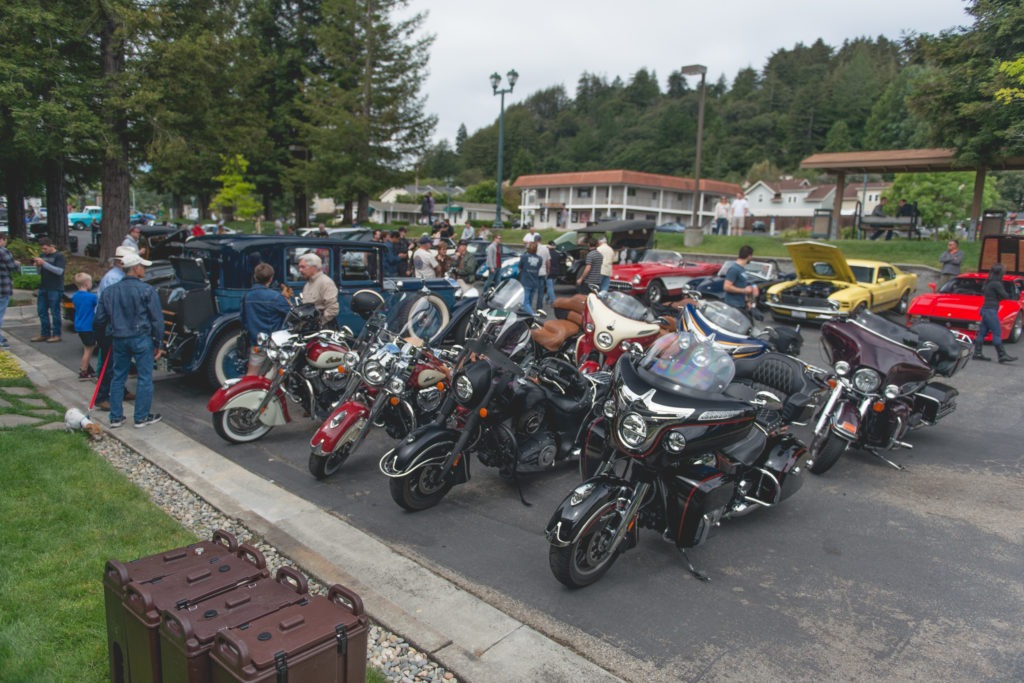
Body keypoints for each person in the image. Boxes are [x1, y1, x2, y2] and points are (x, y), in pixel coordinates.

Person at [93, 252, 164, 428]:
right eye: (143, 267)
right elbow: (157, 319)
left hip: (118, 338)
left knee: (118, 376)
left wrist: (106, 336)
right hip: (141, 338)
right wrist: (159, 343)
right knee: (144, 378)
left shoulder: (110, 291)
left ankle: (116, 417)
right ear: (135, 268)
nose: (145, 270)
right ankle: (141, 417)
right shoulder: (147, 290)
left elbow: (99, 320)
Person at [93, 247, 137, 410]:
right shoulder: (114, 279)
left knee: (118, 362)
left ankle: (120, 391)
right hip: (110, 326)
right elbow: (114, 307)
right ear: (121, 262)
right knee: (109, 363)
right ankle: (102, 396)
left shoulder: (117, 276)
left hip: (112, 324)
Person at [242, 263, 292, 376]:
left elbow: (243, 319)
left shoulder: (247, 296)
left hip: (256, 341)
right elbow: (291, 314)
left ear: (255, 277)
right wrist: (287, 299)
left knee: (252, 375)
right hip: (275, 343)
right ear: (271, 278)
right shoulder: (276, 297)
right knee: (278, 377)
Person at [972, 263, 1017, 363]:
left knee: (982, 332)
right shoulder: (996, 284)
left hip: (985, 309)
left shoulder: (989, 282)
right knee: (997, 332)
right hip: (991, 310)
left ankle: (977, 353)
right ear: (1000, 273)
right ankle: (1002, 355)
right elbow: (1005, 296)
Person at [30, 238, 66, 343]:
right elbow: (39, 272)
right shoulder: (42, 256)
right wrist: (38, 266)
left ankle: (56, 334)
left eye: (45, 249)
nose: (43, 251)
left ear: (51, 246)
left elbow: (59, 271)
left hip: (55, 287)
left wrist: (44, 264)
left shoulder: (59, 256)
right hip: (43, 286)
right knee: (42, 311)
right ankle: (44, 333)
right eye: (42, 249)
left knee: (55, 312)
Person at [297, 252, 339, 327]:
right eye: (299, 267)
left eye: (303, 267)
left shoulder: (325, 282)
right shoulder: (308, 284)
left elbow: (333, 309)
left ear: (314, 267)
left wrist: (318, 323)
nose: (300, 270)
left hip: (323, 329)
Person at [72, 272, 98, 380]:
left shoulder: (75, 296)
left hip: (79, 325)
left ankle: (87, 368)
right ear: (87, 283)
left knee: (86, 347)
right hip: (88, 326)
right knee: (89, 349)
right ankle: (83, 370)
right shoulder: (92, 297)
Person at [723, 245, 758, 313]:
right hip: (733, 306)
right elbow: (726, 287)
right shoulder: (734, 269)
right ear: (749, 256)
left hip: (741, 305)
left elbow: (741, 285)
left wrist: (747, 301)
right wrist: (744, 290)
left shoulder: (742, 269)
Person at [0, 233, 17, 350]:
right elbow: (13, 267)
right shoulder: (3, 251)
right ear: (2, 239)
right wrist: (17, 264)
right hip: (2, 287)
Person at [518, 240, 543, 315]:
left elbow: (520, 267)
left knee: (525, 303)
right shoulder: (540, 259)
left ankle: (533, 315)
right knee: (530, 302)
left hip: (526, 281)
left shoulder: (524, 257)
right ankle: (528, 315)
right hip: (535, 281)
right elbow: (538, 267)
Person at [536, 239, 555, 310]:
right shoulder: (545, 249)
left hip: (534, 272)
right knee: (541, 290)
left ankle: (527, 306)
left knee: (530, 290)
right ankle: (539, 306)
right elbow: (548, 261)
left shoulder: (534, 248)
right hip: (543, 272)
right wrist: (548, 270)